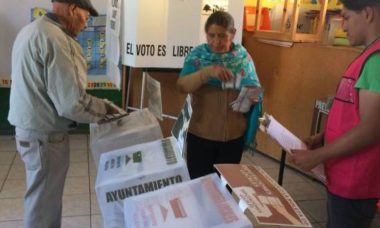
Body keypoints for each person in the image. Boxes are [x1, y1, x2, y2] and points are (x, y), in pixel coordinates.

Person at [7, 0, 124, 227]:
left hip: (29, 131)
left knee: (40, 199)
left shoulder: (31, 30)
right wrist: (108, 111)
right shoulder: (57, 39)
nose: (85, 24)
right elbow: (72, 104)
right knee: (44, 207)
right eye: (85, 17)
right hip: (45, 136)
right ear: (72, 9)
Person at [289, 0, 380, 227]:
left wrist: (318, 156)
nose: (343, 27)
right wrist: (322, 137)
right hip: (342, 177)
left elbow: (372, 128)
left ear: (368, 13)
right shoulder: (367, 57)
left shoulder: (377, 61)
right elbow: (353, 115)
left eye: (347, 18)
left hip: (355, 183)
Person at [176, 11, 262, 179]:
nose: (216, 42)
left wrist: (253, 97)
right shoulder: (198, 57)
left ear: (233, 34)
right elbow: (181, 86)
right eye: (211, 35)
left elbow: (254, 87)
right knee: (199, 186)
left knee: (225, 189)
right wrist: (206, 73)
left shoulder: (243, 59)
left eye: (222, 36)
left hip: (233, 137)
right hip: (201, 135)